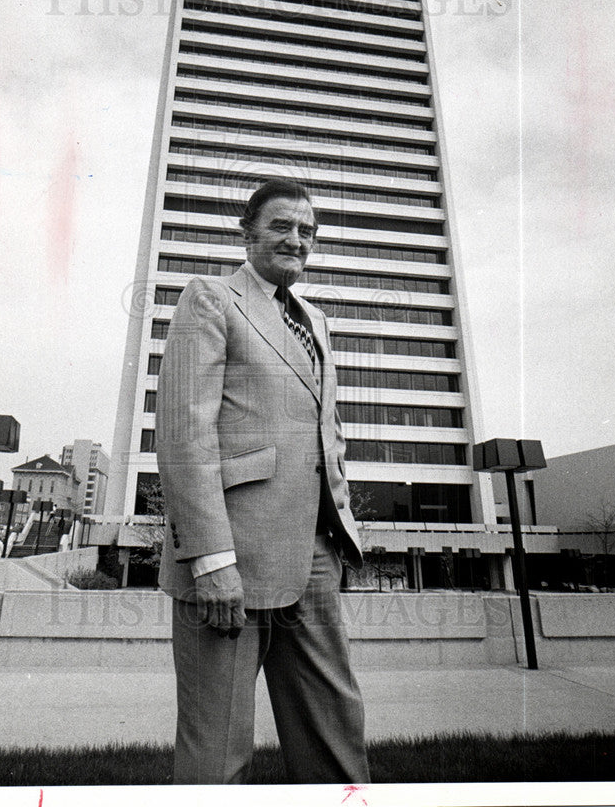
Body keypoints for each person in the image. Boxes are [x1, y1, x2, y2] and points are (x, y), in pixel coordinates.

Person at [156, 178, 370, 785]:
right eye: (280, 226)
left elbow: (328, 435)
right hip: (229, 561)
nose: (295, 239)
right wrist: (210, 559)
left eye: (306, 231)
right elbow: (183, 437)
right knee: (218, 748)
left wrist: (342, 531)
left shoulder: (318, 322)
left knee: (336, 734)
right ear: (247, 232)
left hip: (317, 559)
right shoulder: (210, 298)